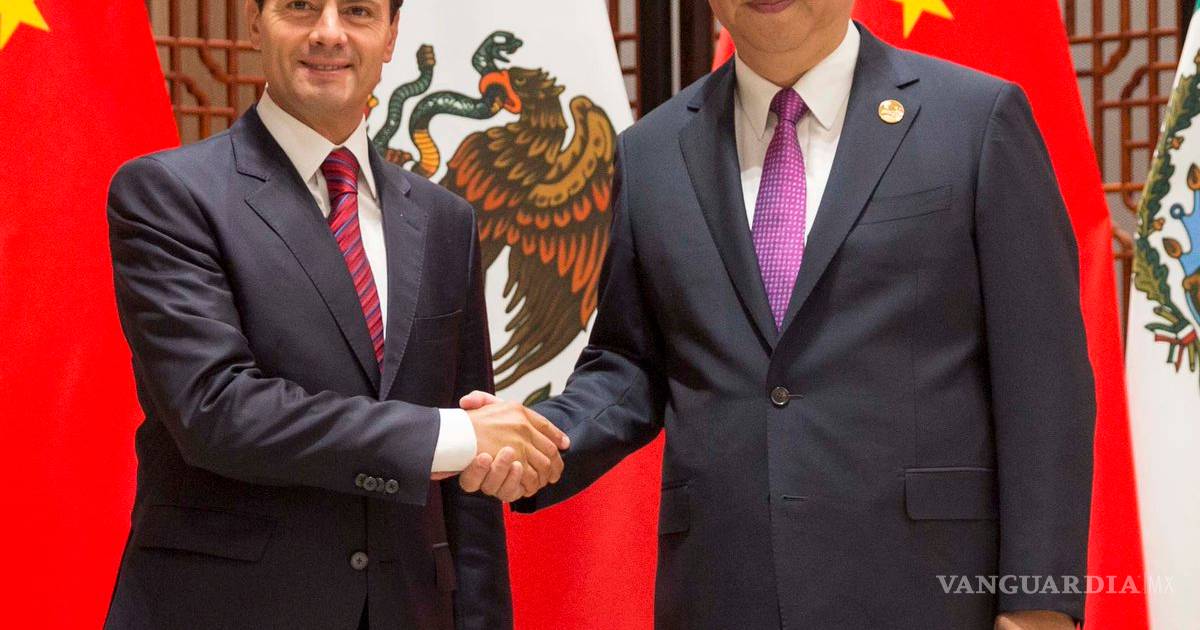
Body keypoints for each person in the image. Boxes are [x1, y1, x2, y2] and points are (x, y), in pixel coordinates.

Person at [459, 1, 1094, 628]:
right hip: (723, 590)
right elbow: (630, 362)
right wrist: (540, 439)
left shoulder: (974, 119)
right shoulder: (650, 152)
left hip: (927, 589)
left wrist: (1039, 605)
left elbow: (1046, 381)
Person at [102, 1, 567, 628]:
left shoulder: (444, 220)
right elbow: (216, 410)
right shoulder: (168, 194)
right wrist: (450, 435)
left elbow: (469, 493)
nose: (328, 33)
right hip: (224, 610)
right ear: (255, 23)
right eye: (299, 6)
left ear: (391, 36)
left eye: (357, 11)